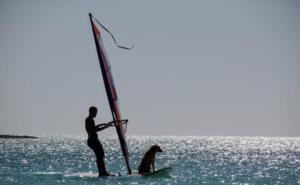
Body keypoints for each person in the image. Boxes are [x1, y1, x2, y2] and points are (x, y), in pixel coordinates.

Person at [85, 106, 114, 176]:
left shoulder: (89, 119)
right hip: (93, 141)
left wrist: (103, 124)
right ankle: (102, 172)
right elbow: (94, 130)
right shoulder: (89, 120)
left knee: (100, 155)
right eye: (95, 112)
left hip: (93, 141)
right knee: (100, 156)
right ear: (92, 112)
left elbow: (94, 127)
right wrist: (105, 127)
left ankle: (102, 171)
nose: (96, 114)